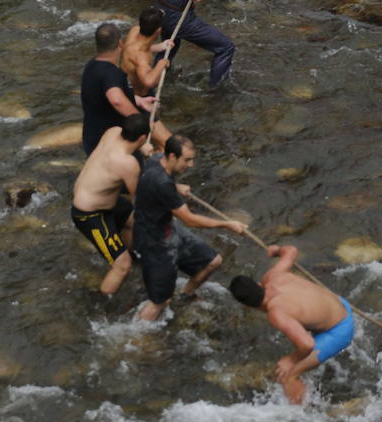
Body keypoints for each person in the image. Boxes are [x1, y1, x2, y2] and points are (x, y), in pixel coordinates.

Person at [134, 133, 244, 322]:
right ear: (172, 157)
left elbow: (152, 180)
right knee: (159, 302)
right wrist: (227, 224)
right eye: (187, 160)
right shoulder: (163, 184)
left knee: (213, 261)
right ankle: (135, 339)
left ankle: (186, 294)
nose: (191, 165)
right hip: (155, 243)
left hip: (169, 230)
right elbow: (190, 220)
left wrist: (176, 187)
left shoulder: (156, 160)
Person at [229, 244, 355, 405]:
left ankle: (303, 416)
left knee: (287, 375)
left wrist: (290, 360)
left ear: (246, 305)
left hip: (340, 330)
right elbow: (291, 250)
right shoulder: (273, 276)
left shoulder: (277, 312)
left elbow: (306, 343)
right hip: (341, 305)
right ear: (258, 284)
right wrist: (276, 250)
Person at [71, 114, 149, 294]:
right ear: (142, 138)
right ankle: (101, 305)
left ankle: (130, 253)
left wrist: (142, 147)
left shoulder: (112, 132)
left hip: (102, 200)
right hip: (89, 214)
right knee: (122, 267)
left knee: (131, 221)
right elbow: (140, 200)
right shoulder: (128, 164)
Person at [81, 22, 157, 156]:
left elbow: (100, 96)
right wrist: (141, 122)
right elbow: (116, 100)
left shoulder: (91, 65)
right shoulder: (112, 73)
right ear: (120, 44)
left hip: (91, 137)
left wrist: (138, 100)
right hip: (111, 143)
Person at [120, 7, 170, 94]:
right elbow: (149, 82)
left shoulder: (134, 31)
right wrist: (162, 63)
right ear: (158, 30)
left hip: (124, 85)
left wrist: (160, 46)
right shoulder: (141, 58)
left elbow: (135, 49)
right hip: (138, 97)